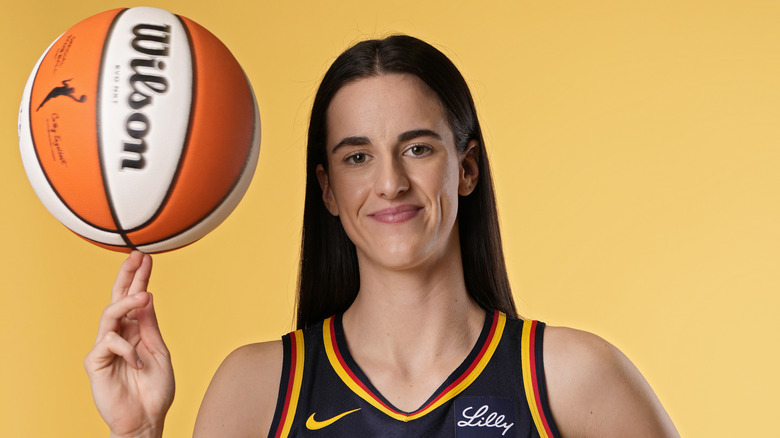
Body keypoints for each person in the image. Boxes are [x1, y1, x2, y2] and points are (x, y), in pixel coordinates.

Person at [85, 35, 681, 438]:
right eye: (357, 157)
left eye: (417, 149)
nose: (390, 182)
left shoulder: (571, 380)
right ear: (327, 191)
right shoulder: (259, 389)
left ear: (466, 168)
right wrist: (138, 433)